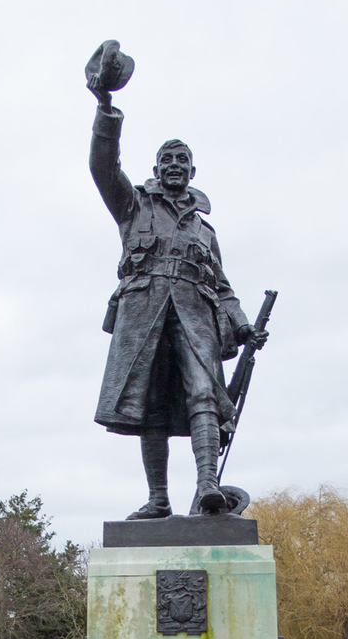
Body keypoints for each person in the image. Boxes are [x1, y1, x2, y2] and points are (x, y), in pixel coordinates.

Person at [87, 80, 267, 518]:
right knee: (150, 405)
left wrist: (243, 325)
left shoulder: (205, 231)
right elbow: (103, 168)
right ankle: (159, 499)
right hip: (144, 314)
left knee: (204, 392)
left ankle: (207, 485)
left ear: (192, 171)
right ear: (155, 167)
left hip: (195, 316)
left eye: (182, 160)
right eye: (167, 159)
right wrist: (106, 109)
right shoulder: (134, 206)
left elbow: (223, 287)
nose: (174, 165)